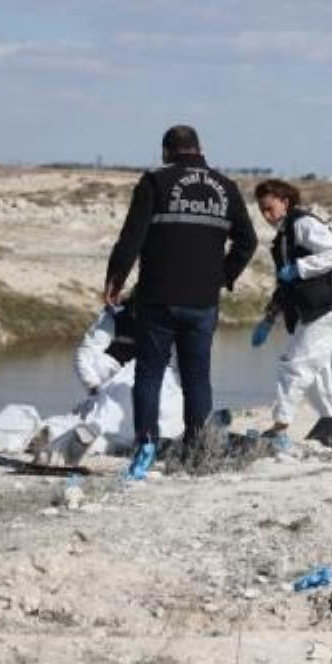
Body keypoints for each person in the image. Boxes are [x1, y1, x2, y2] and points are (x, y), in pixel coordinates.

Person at [104, 125, 258, 479]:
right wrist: (222, 277)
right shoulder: (226, 187)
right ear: (200, 148)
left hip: (157, 297)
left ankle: (145, 447)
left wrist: (115, 280)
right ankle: (197, 451)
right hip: (203, 301)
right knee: (197, 379)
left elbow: (131, 238)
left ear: (166, 152)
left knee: (149, 375)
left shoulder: (154, 183)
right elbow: (247, 242)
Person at [250, 179, 332, 449]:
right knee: (315, 367)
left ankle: (280, 427)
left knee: (295, 364)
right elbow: (285, 284)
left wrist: (300, 267)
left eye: (270, 208)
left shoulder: (302, 224)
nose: (267, 215)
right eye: (262, 210)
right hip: (319, 310)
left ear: (285, 202)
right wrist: (269, 319)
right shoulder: (283, 239)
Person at [68, 292, 184, 449]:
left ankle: (161, 437)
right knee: (98, 362)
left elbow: (181, 363)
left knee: (170, 399)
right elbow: (84, 354)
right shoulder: (114, 317)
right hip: (114, 383)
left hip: (156, 377)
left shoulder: (171, 321)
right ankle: (100, 422)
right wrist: (94, 389)